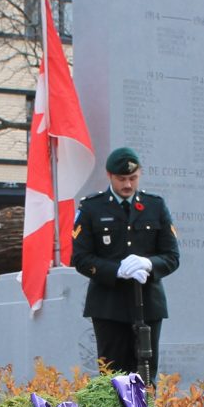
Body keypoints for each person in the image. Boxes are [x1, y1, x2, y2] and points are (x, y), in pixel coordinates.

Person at [71, 147, 180, 381]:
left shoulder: (155, 206)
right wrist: (116, 270)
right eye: (122, 179)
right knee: (112, 378)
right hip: (108, 306)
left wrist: (149, 264)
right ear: (109, 176)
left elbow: (171, 257)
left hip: (148, 303)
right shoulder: (92, 208)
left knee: (145, 376)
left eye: (133, 178)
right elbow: (80, 258)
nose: (128, 185)